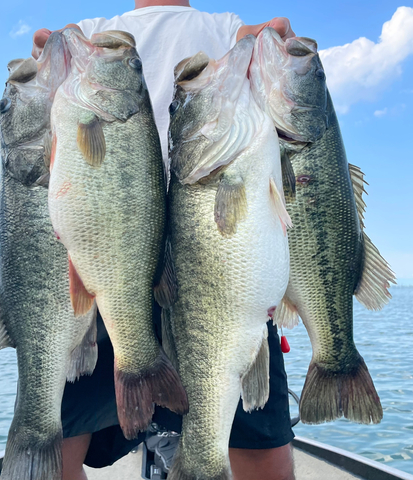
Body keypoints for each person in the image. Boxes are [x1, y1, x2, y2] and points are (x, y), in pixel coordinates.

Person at [32, 2, 296, 479]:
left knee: (260, 444)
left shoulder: (227, 29)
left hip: (211, 260)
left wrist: (273, 44)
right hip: (108, 256)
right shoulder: (91, 32)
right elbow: (46, 65)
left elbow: (269, 51)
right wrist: (51, 51)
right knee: (58, 440)